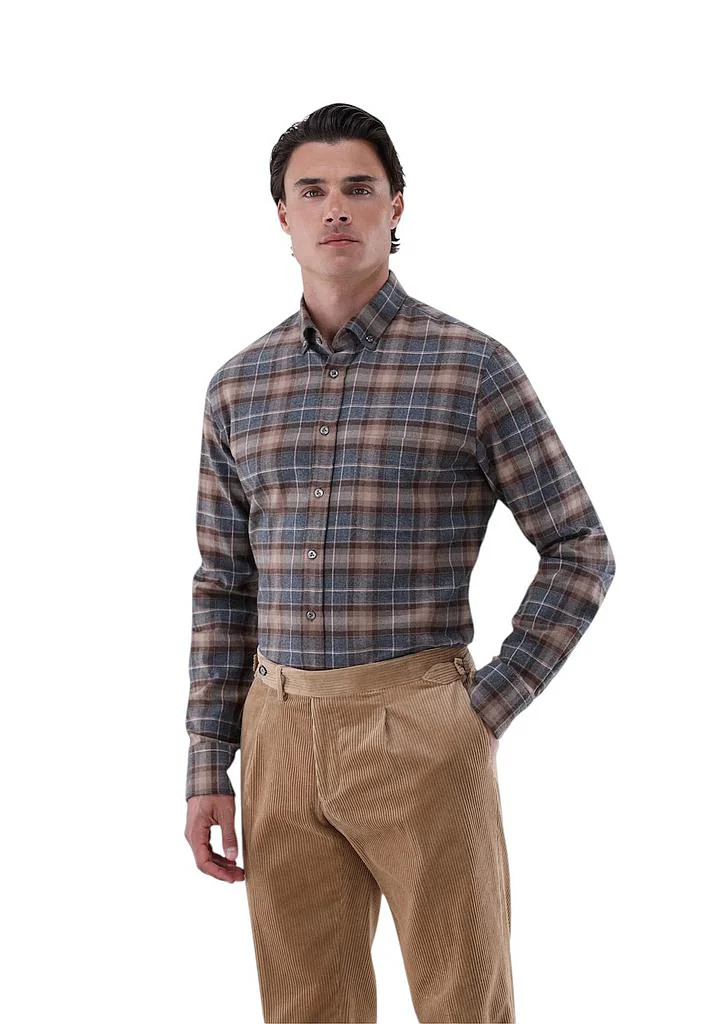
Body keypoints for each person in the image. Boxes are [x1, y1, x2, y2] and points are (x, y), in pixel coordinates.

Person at [183, 101, 616, 1023]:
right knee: (305, 1007)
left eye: (358, 187)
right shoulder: (238, 386)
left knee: (463, 1003)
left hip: (421, 726)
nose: (335, 207)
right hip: (276, 732)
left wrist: (483, 708)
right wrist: (207, 764)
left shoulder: (470, 368)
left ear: (396, 207)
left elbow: (579, 547)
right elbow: (223, 585)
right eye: (312, 191)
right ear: (283, 215)